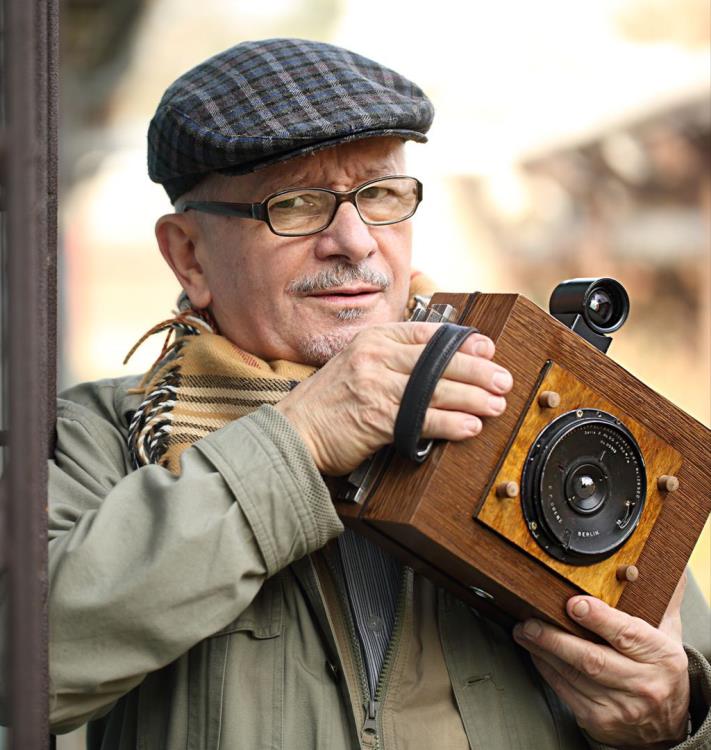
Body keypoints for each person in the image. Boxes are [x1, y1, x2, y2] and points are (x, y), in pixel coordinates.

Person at [48, 38, 710, 749]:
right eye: (296, 204)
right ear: (188, 254)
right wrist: (297, 443)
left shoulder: (525, 395)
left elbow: (672, 661)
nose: (356, 242)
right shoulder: (107, 436)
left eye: (382, 195)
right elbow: (28, 663)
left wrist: (671, 717)